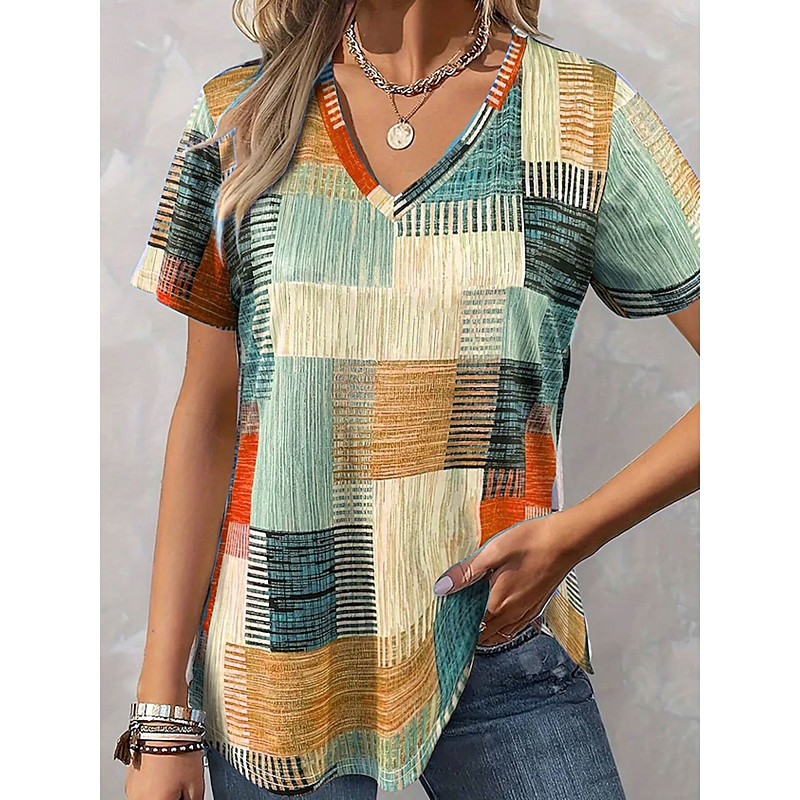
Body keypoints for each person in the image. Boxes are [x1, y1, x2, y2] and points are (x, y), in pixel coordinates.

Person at [117, 1, 700, 798]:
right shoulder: (239, 116)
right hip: (276, 663)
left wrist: (575, 535)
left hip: (496, 634)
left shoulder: (581, 116)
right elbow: (209, 417)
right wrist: (161, 711)